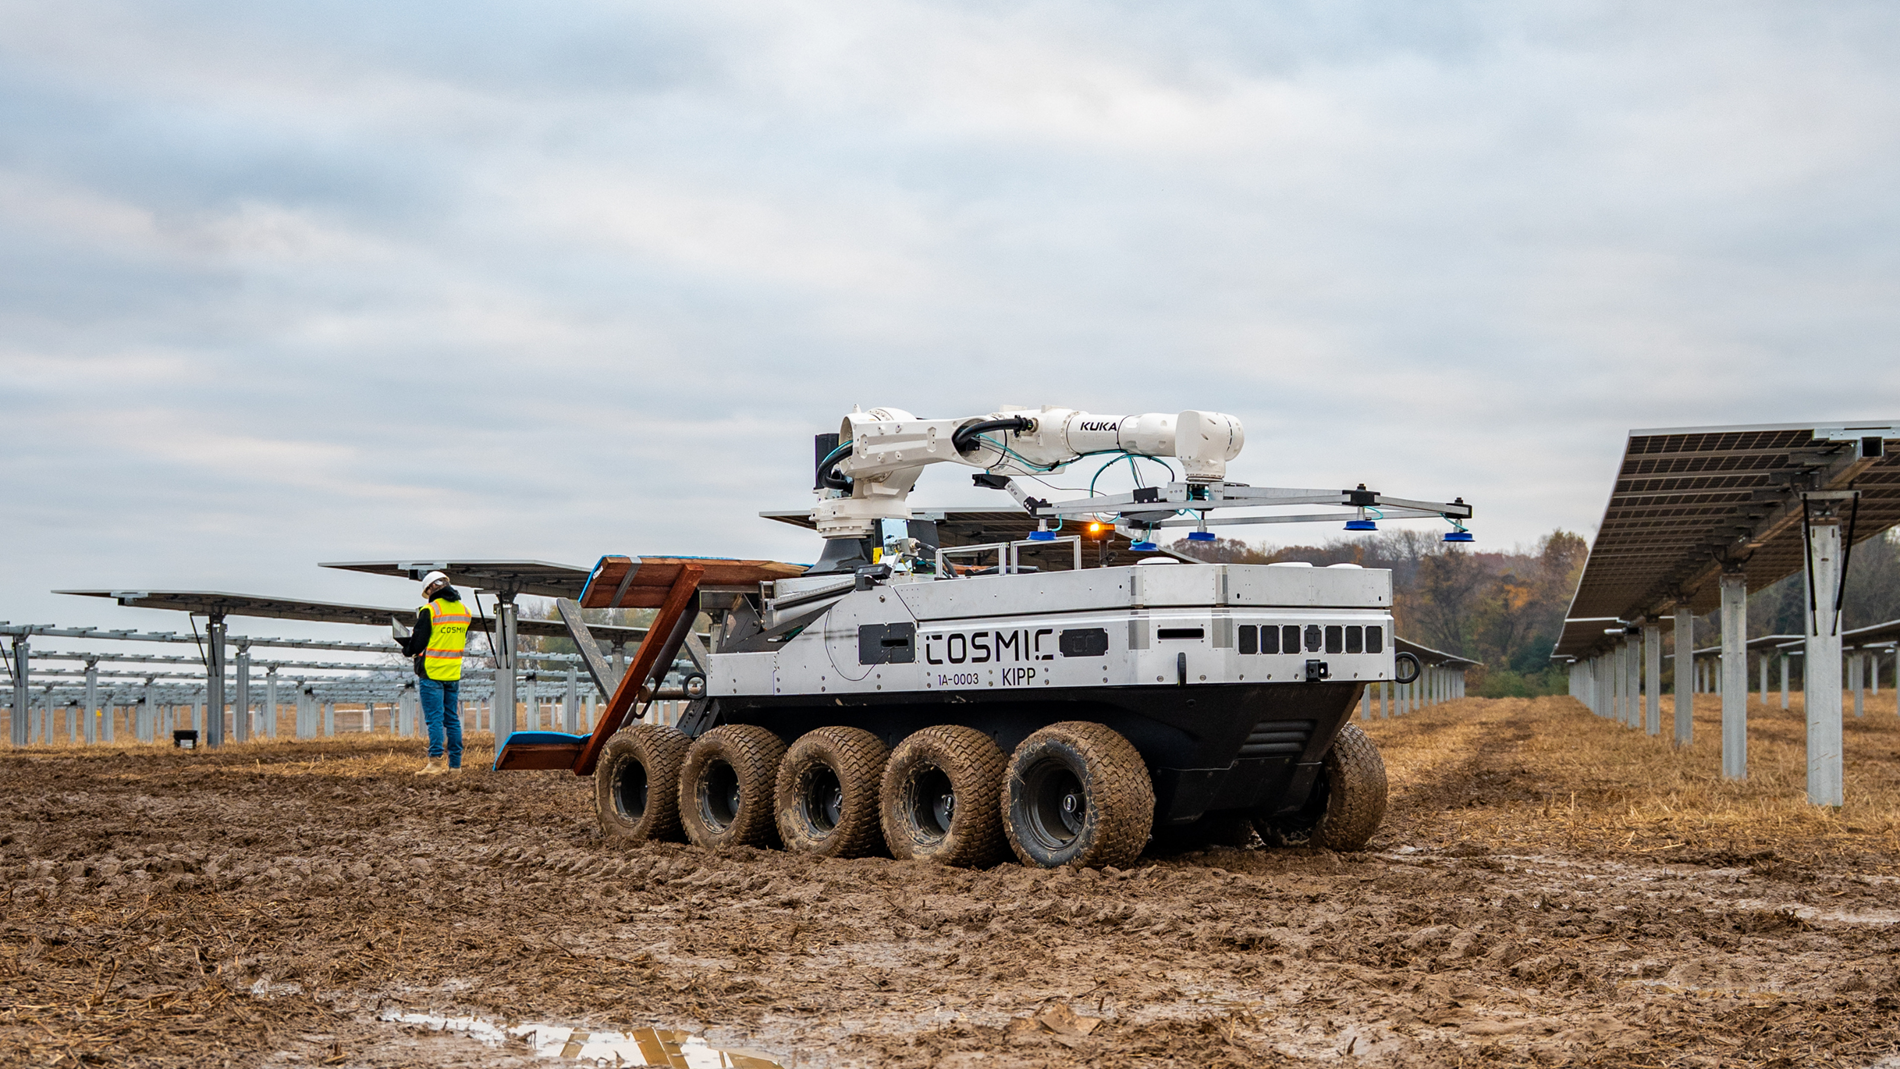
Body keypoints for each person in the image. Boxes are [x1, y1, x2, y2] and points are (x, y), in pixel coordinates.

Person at [398, 570, 470, 774]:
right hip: (453, 672)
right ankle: (455, 765)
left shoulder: (430, 610)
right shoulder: (465, 611)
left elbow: (418, 643)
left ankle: (436, 763)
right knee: (452, 719)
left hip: (432, 672)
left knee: (435, 719)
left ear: (430, 589)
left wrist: (407, 648)